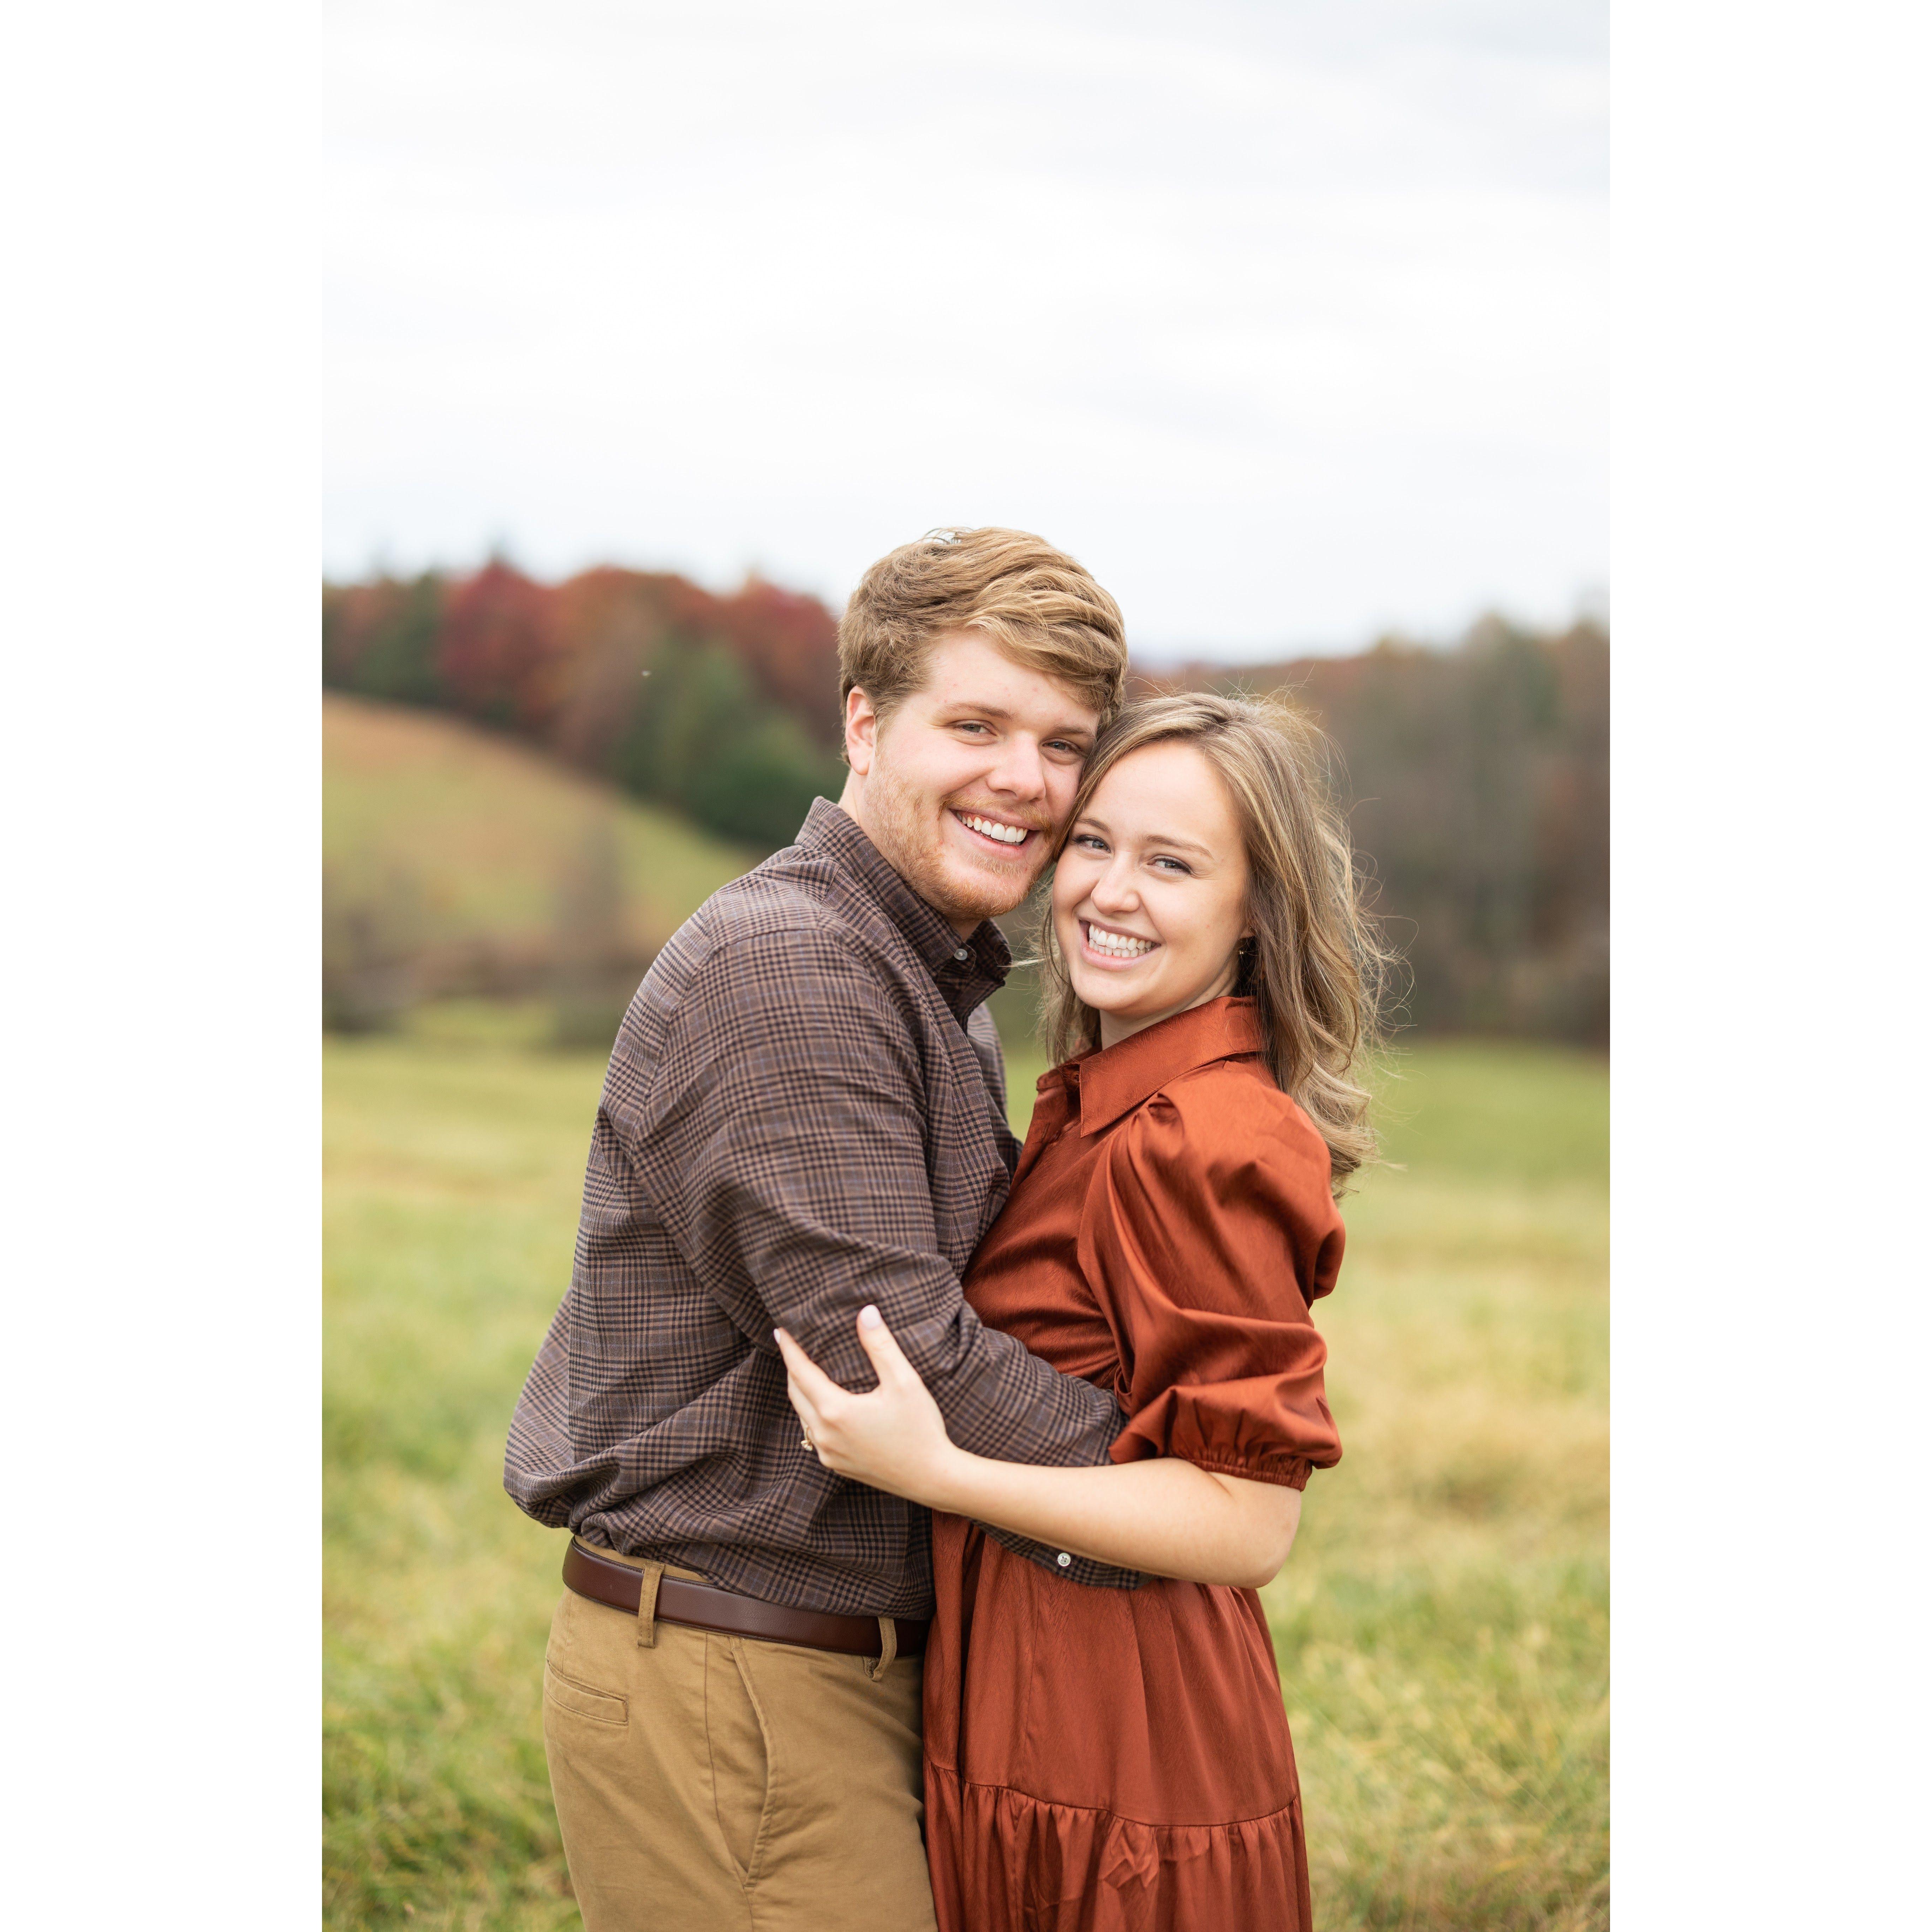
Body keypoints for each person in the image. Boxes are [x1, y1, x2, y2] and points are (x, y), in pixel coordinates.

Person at [503, 527, 1147, 1932]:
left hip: (831, 1672)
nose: (1025, 781)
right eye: (974, 724)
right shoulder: (794, 969)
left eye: (1062, 741)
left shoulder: (923, 973)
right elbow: (896, 1362)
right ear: (864, 721)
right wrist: (1184, 1490)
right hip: (742, 1683)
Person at [778, 690, 1388, 1932]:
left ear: (1255, 914)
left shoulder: (1200, 1137)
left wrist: (940, 1471)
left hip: (1127, 1760)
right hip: (1035, 1725)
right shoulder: (1103, 1105)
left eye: (1172, 864)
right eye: (1097, 843)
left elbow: (1247, 1518)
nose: (1110, 893)